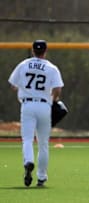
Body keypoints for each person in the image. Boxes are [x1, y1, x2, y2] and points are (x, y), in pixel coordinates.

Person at [8, 40, 64, 187]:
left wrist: (23, 88)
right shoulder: (51, 67)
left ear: (33, 50)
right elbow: (58, 89)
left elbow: (13, 85)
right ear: (45, 51)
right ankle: (41, 177)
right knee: (43, 144)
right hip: (44, 105)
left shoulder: (24, 64)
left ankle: (28, 161)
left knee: (27, 139)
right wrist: (53, 99)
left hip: (27, 105)